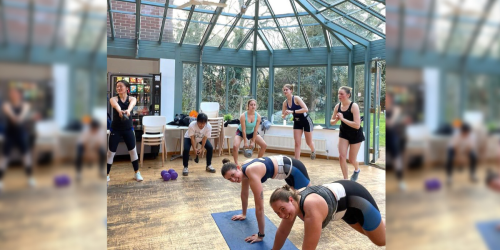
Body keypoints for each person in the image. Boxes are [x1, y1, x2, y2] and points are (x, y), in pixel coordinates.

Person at [269, 181, 385, 250]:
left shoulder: (311, 208)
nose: (282, 215)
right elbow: (283, 232)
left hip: (357, 200)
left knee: (381, 240)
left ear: (290, 199)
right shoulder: (292, 204)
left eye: (282, 209)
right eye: (277, 212)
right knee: (369, 232)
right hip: (343, 209)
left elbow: (308, 248)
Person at [221, 156, 311, 244]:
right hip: (287, 171)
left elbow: (259, 207)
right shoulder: (243, 171)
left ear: (237, 168)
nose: (233, 179)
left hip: (295, 169)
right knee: (303, 207)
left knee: (307, 205)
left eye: (233, 175)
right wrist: (243, 214)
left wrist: (260, 235)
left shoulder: (250, 171)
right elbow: (244, 194)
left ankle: (316, 224)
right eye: (229, 179)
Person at [107, 80, 143, 182]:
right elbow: (116, 105)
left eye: (121, 86)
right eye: (117, 87)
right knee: (110, 152)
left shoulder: (132, 98)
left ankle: (137, 173)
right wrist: (120, 111)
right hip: (116, 129)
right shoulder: (113, 99)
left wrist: (128, 110)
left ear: (126, 88)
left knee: (133, 151)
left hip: (128, 129)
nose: (118, 88)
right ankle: (106, 174)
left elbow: (132, 104)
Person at [0, 87, 35, 191]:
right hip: (9, 135)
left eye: (15, 93)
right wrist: (15, 117)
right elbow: (10, 113)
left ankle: (30, 178)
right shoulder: (6, 105)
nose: (12, 95)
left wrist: (19, 118)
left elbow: (23, 114)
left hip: (21, 135)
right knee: (4, 158)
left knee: (26, 157)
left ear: (19, 95)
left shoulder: (26, 105)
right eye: (11, 93)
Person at [330, 86, 365, 181]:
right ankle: (345, 180)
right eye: (338, 93)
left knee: (352, 160)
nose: (339, 96)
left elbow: (357, 125)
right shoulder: (337, 106)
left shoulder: (354, 106)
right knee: (341, 156)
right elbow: (331, 122)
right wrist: (336, 119)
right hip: (344, 133)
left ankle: (357, 170)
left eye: (342, 94)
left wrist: (342, 119)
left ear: (348, 95)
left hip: (355, 134)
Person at [281, 84, 316, 160]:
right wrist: (285, 114)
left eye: (287, 89)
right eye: (284, 90)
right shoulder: (285, 103)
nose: (285, 91)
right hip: (297, 122)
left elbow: (306, 109)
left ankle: (313, 150)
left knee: (308, 142)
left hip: (306, 121)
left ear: (291, 90)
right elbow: (282, 116)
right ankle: (297, 162)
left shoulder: (296, 98)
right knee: (297, 143)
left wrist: (292, 111)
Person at [232, 99, 267, 166]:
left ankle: (258, 162)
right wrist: (245, 141)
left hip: (252, 132)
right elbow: (244, 130)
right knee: (235, 146)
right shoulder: (243, 116)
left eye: (254, 105)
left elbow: (256, 130)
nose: (253, 106)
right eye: (251, 105)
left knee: (264, 145)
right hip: (241, 132)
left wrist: (253, 141)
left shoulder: (258, 116)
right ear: (248, 106)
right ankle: (236, 164)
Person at [385, 92, 406, 190]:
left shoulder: (396, 109)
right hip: (386, 136)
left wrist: (388, 122)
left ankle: (400, 181)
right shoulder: (385, 110)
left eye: (387, 97)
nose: (386, 99)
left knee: (396, 160)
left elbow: (391, 123)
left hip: (392, 137)